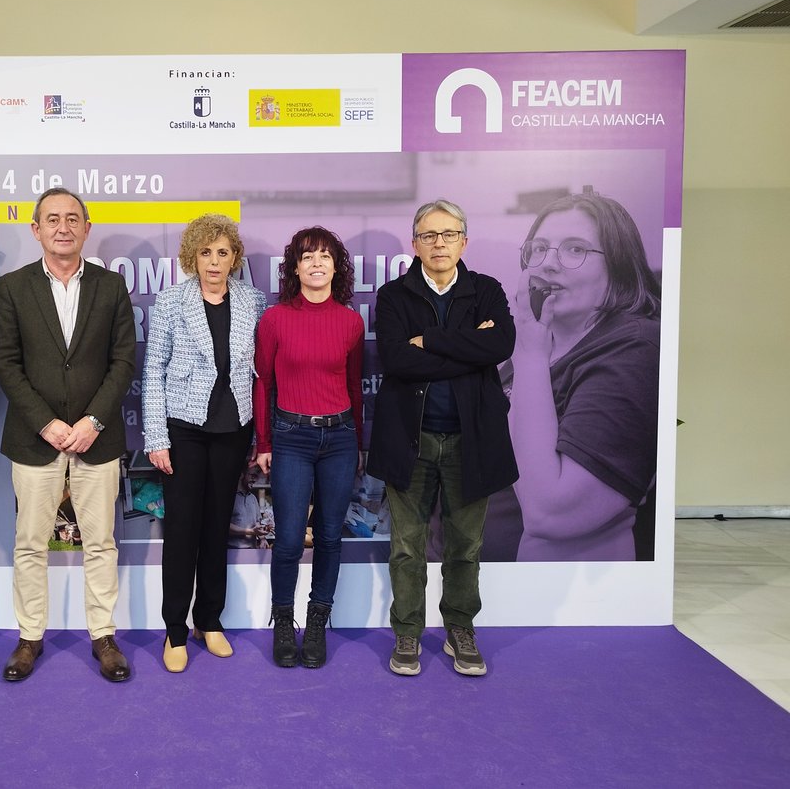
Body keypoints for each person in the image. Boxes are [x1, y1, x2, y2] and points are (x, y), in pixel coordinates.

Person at [0, 187, 136, 683]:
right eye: (51, 219)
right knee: (31, 543)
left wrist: (92, 421)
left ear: (86, 228)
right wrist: (45, 422)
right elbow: (6, 363)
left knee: (101, 542)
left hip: (98, 437)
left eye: (73, 218)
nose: (62, 226)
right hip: (35, 439)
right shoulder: (12, 287)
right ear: (36, 229)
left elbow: (123, 362)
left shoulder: (111, 287)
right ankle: (30, 638)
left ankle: (104, 637)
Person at [368, 199, 516, 678]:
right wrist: (470, 347)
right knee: (407, 547)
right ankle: (407, 634)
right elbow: (396, 361)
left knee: (465, 546)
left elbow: (501, 345)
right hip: (409, 440)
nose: (438, 244)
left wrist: (428, 340)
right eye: (429, 235)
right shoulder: (393, 296)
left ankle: (459, 630)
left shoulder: (486, 290)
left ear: (463, 241)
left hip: (471, 441)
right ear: (415, 243)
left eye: (448, 234)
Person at [142, 214, 266, 673]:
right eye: (206, 252)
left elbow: (260, 372)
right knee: (182, 532)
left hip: (233, 429)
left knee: (217, 527)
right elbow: (152, 370)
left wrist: (260, 434)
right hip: (183, 429)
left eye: (223, 252)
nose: (215, 261)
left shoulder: (253, 300)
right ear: (192, 256)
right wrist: (156, 436)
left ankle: (208, 620)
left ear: (234, 257)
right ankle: (174, 630)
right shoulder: (172, 300)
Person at [508, 191, 660, 561]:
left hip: (560, 603)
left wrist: (528, 355)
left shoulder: (633, 347)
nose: (548, 264)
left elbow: (552, 512)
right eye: (539, 248)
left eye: (575, 250)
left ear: (619, 266)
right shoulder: (543, 338)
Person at [254, 226, 364, 669]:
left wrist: (359, 442)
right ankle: (284, 622)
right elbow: (263, 385)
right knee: (287, 540)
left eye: (325, 256)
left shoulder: (351, 321)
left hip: (339, 439)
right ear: (294, 267)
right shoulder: (276, 319)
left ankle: (317, 624)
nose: (316, 263)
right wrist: (263, 441)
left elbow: (355, 386)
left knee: (332, 537)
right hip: (291, 438)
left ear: (336, 266)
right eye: (307, 256)